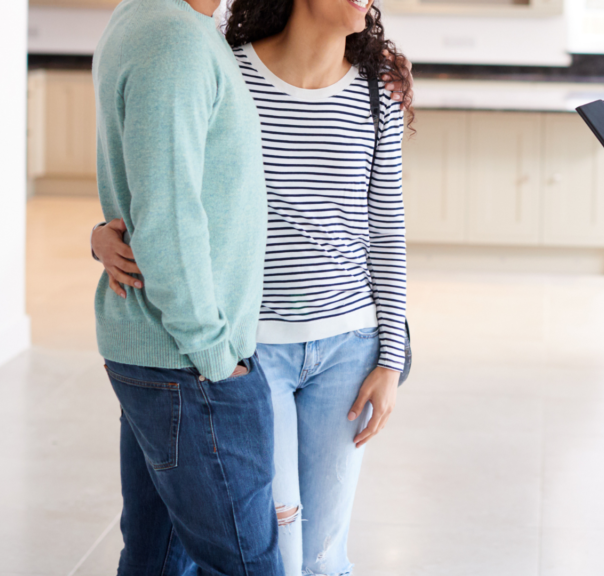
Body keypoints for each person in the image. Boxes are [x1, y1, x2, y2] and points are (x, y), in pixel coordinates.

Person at [93, 0, 412, 573]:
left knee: (322, 553)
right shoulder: (222, 63)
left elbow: (386, 229)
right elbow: (164, 179)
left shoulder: (375, 92)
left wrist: (392, 359)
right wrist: (103, 233)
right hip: (252, 346)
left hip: (347, 345)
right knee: (276, 549)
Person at [92, 0, 282, 572]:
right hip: (188, 361)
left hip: (165, 355)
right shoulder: (174, 38)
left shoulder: (150, 20)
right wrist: (216, 357)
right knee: (245, 562)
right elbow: (169, 215)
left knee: (154, 558)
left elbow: (147, 180)